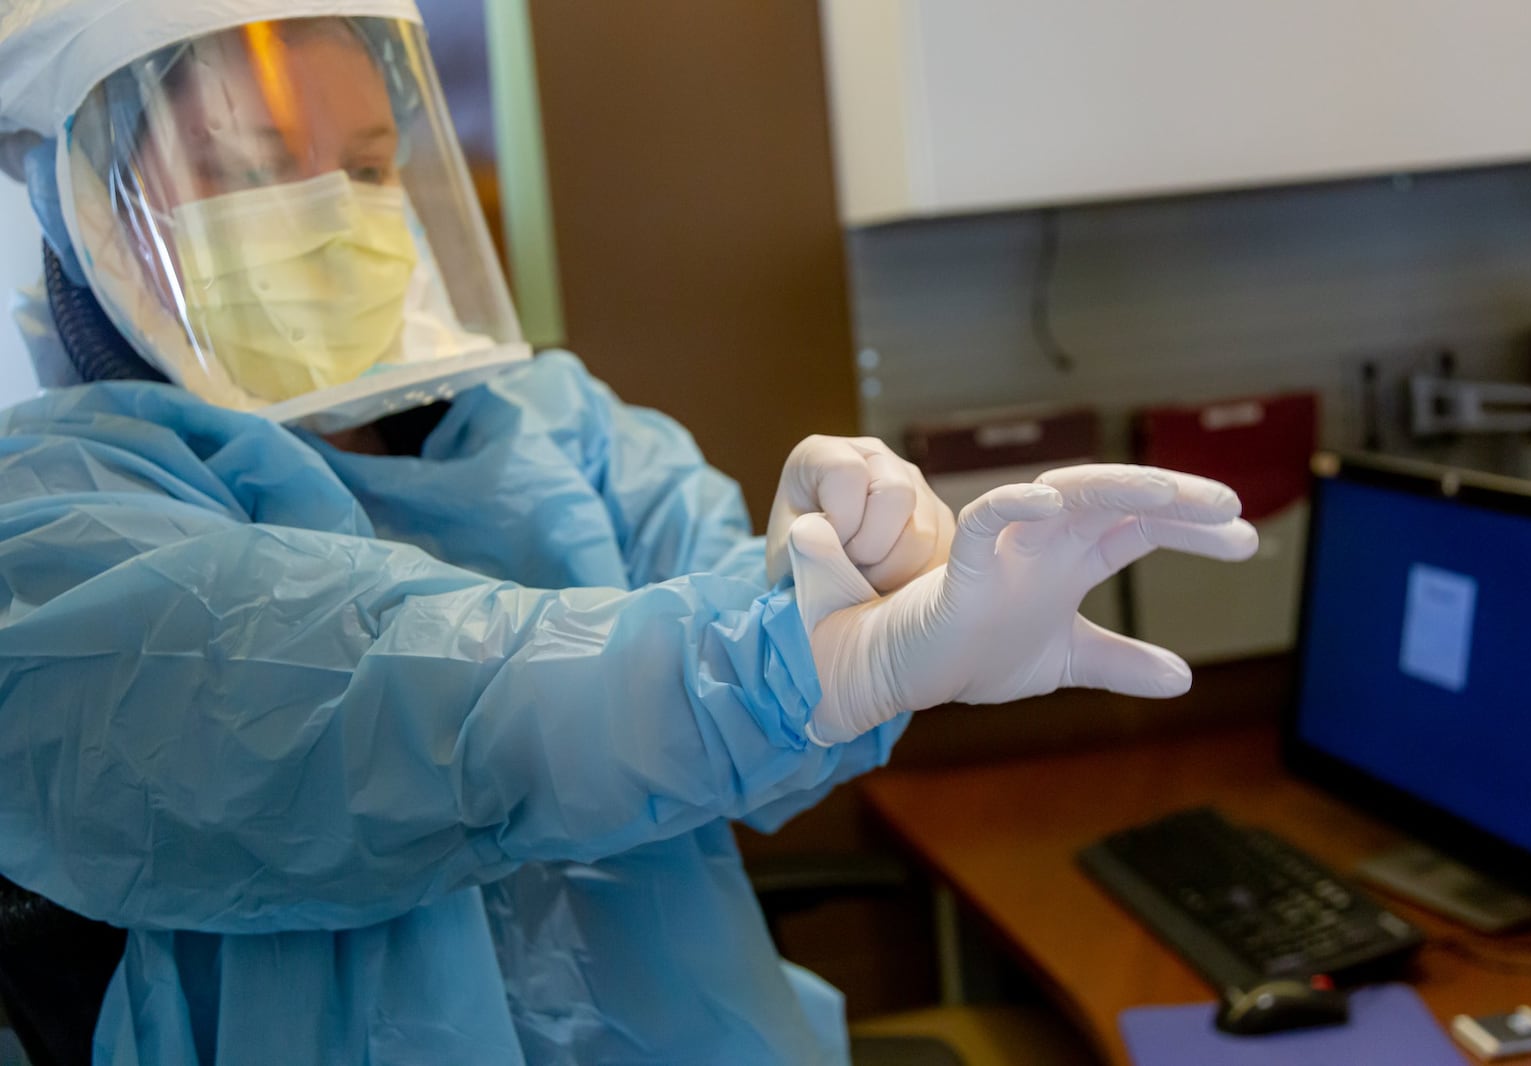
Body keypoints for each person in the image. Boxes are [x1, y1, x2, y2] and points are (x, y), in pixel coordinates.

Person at [0, 2, 1258, 1063]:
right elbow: (387, 702)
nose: (331, 213)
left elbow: (764, 725)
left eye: (371, 165)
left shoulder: (555, 429)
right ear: (84, 196)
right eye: (252, 167)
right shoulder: (57, 519)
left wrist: (858, 597)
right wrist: (779, 665)